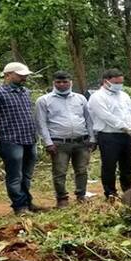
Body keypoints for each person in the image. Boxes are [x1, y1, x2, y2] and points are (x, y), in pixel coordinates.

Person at [0, 62, 40, 216]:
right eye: (20, 75)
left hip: (29, 138)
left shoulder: (25, 92)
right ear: (8, 75)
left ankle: (27, 202)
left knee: (26, 174)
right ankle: (19, 206)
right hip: (10, 139)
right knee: (15, 175)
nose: (24, 78)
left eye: (25, 75)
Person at [35, 71, 95, 208]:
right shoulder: (44, 100)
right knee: (60, 172)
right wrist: (48, 143)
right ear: (53, 83)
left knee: (82, 170)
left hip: (81, 141)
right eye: (58, 82)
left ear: (70, 82)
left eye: (65, 82)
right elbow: (41, 123)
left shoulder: (80, 99)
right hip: (58, 143)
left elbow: (88, 119)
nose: (62, 85)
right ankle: (62, 198)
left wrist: (92, 137)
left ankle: (81, 195)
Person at [88, 69, 131, 199]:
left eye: (121, 82)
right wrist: (125, 127)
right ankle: (111, 193)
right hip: (108, 135)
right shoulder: (97, 97)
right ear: (106, 81)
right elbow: (106, 116)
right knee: (109, 165)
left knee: (127, 165)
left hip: (127, 136)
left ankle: (128, 191)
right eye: (116, 82)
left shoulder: (123, 95)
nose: (119, 85)